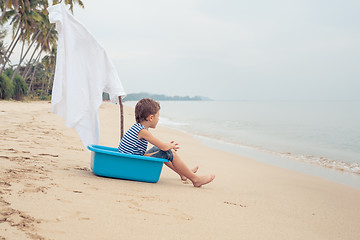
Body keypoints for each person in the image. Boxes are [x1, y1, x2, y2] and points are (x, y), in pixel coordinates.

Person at [118, 98, 215, 187]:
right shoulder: (143, 131)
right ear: (151, 118)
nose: (158, 119)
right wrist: (171, 146)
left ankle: (183, 174)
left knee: (161, 151)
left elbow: (137, 151)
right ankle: (195, 179)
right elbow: (164, 147)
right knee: (169, 152)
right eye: (158, 116)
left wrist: (163, 148)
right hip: (133, 165)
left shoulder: (137, 127)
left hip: (131, 160)